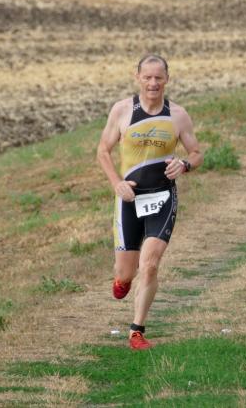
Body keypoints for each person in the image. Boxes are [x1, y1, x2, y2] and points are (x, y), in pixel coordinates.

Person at [96, 54, 203, 350]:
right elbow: (103, 151)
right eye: (148, 77)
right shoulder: (122, 110)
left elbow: (196, 153)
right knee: (125, 273)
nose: (153, 83)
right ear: (138, 78)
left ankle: (136, 330)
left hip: (162, 197)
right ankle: (123, 279)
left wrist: (185, 165)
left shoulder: (177, 115)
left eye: (158, 77)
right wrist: (117, 183)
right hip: (129, 200)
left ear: (167, 79)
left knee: (151, 264)